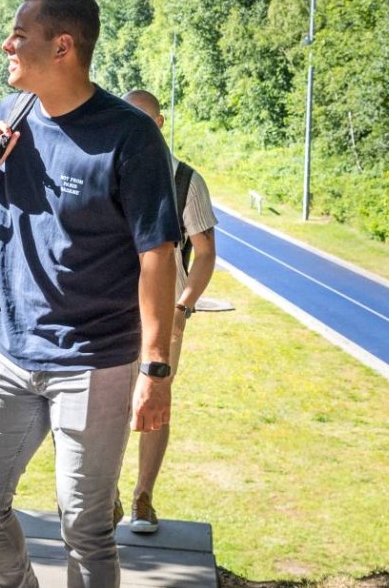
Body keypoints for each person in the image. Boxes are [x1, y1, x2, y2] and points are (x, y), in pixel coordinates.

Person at [0, 0, 182, 588]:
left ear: (62, 46)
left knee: (85, 527)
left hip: (96, 361)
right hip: (10, 350)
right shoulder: (9, 117)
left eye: (19, 34)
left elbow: (158, 255)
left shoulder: (130, 137)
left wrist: (155, 371)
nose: (7, 43)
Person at [116, 89, 219, 535]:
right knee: (103, 405)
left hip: (164, 317)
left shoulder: (185, 182)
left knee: (153, 406)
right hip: (111, 313)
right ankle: (106, 498)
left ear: (158, 125)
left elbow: (206, 252)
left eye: (143, 121)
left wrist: (182, 307)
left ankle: (143, 497)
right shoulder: (108, 172)